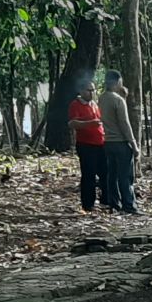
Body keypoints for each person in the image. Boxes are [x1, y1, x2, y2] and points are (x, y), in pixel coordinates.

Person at [99, 70, 138, 215]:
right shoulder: (118, 100)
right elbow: (124, 123)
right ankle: (129, 205)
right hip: (121, 142)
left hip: (108, 141)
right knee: (125, 176)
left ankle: (114, 204)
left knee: (112, 175)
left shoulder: (102, 98)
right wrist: (133, 144)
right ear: (117, 82)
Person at [67, 79, 109, 213]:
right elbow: (72, 123)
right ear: (81, 91)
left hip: (101, 143)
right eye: (88, 90)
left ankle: (105, 200)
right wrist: (90, 123)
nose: (92, 93)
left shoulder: (95, 104)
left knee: (105, 173)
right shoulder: (75, 105)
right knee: (88, 174)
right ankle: (88, 204)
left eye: (93, 90)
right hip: (86, 145)